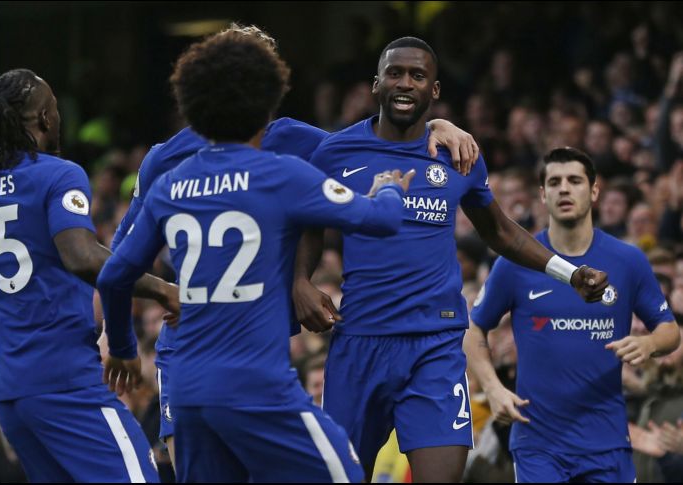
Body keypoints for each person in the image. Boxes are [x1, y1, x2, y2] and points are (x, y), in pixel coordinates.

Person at [110, 23, 483, 467]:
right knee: (338, 471)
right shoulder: (282, 169)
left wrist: (121, 343)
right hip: (256, 367)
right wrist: (387, 188)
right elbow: (379, 202)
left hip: (189, 366)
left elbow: (116, 271)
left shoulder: (174, 179)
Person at [292, 37, 609, 482]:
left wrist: (569, 272)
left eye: (418, 76)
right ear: (376, 85)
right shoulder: (335, 153)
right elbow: (308, 224)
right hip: (359, 341)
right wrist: (299, 281)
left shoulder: (458, 155)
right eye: (395, 74)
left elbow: (499, 230)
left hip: (435, 345)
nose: (405, 83)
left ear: (434, 91)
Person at [0, 68, 179, 482]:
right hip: (66, 384)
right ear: (45, 118)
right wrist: (164, 290)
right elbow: (81, 257)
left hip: (10, 396)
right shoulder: (58, 174)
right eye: (56, 110)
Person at [466, 147, 681, 483]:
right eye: (554, 182)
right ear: (542, 194)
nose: (564, 188)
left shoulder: (628, 260)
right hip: (539, 445)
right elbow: (474, 329)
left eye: (574, 180)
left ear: (594, 191)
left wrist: (650, 344)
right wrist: (492, 387)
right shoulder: (515, 262)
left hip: (607, 442)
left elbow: (670, 330)